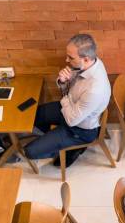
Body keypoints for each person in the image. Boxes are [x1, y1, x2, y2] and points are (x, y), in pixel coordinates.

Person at [24, 34, 111, 167]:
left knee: (30, 151)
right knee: (33, 115)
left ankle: (73, 147)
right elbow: (69, 94)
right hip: (69, 108)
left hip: (79, 129)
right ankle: (55, 139)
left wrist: (64, 94)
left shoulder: (95, 89)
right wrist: (63, 81)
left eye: (71, 57)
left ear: (86, 59)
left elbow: (71, 120)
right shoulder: (92, 63)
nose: (66, 60)